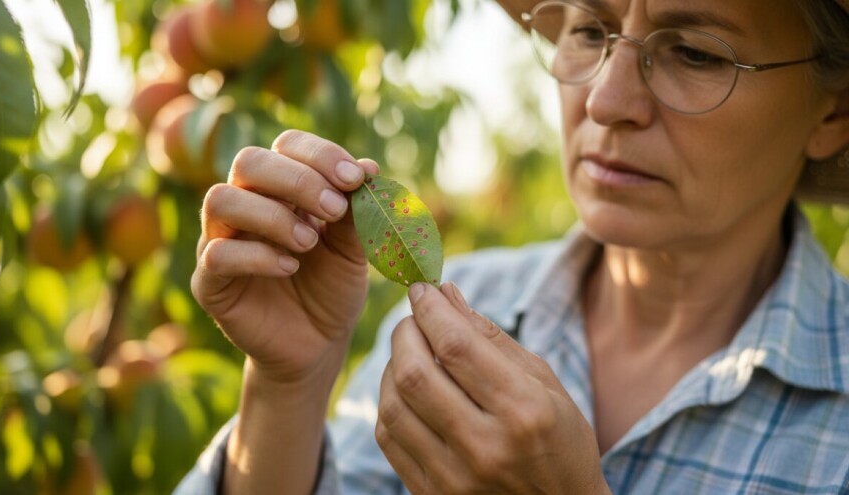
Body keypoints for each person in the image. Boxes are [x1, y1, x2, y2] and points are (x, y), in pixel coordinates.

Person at [175, 0, 849, 493]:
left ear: (833, 111)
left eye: (695, 52)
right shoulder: (460, 312)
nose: (605, 99)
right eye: (590, 30)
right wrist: (287, 387)